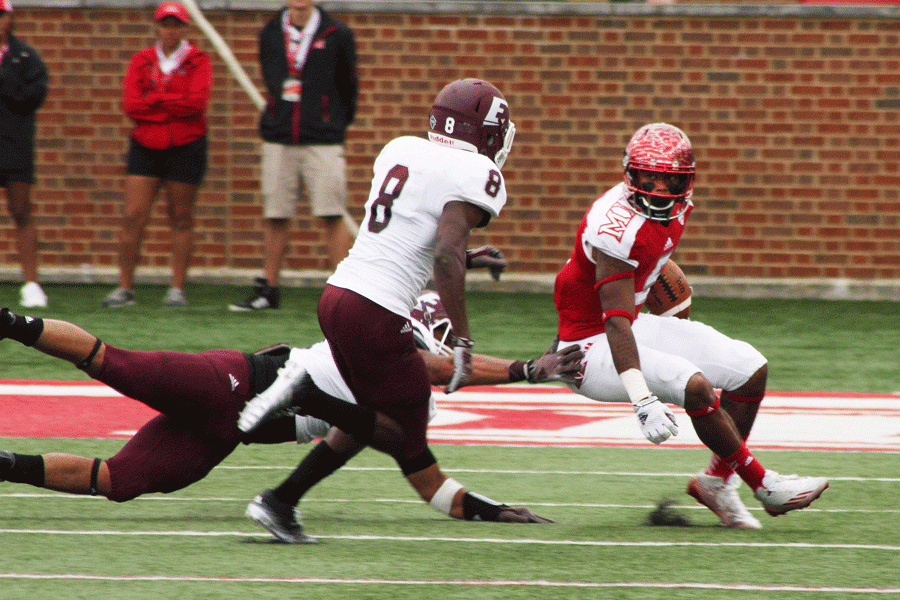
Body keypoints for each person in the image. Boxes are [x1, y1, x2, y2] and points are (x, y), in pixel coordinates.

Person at [0, 290, 580, 540]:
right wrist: (527, 369)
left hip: (228, 434)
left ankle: (4, 465)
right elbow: (425, 363)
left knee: (118, 483)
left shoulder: (402, 408)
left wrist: (495, 511)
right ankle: (10, 323)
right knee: (114, 363)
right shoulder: (390, 351)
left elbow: (433, 488)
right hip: (230, 383)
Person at [237, 77, 517, 534]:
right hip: (376, 314)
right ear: (485, 132)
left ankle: (279, 501)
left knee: (370, 422)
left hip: (337, 297)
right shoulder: (476, 173)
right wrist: (463, 340)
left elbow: (404, 241)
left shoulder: (402, 148)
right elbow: (444, 255)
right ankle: (306, 393)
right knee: (401, 434)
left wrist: (465, 257)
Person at [552, 122, 829, 529]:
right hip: (587, 346)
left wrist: (671, 309)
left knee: (749, 368)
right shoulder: (613, 226)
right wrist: (642, 399)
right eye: (649, 178)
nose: (659, 190)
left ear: (686, 180)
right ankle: (764, 484)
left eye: (669, 180)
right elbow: (613, 321)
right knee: (693, 384)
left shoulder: (680, 208)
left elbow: (645, 270)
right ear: (630, 174)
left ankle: (715, 481)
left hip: (631, 321)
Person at [229, 0, 358, 311]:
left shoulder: (337, 32)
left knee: (331, 212)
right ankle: (268, 289)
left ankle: (348, 295)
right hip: (280, 137)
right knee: (276, 213)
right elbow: (272, 79)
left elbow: (349, 86)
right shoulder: (271, 32)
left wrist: (331, 120)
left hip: (322, 139)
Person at [101, 1, 212, 308]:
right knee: (133, 215)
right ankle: (124, 287)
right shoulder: (142, 60)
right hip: (146, 145)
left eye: (177, 25)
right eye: (166, 24)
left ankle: (177, 288)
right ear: (157, 27)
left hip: (186, 145)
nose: (171, 30)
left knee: (180, 217)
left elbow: (196, 104)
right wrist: (171, 102)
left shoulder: (199, 60)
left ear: (185, 28)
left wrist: (157, 100)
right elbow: (131, 105)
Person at [0, 1, 49, 308]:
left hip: (15, 143)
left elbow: (34, 96)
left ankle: (31, 283)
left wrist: (6, 81)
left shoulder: (26, 57)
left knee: (21, 210)